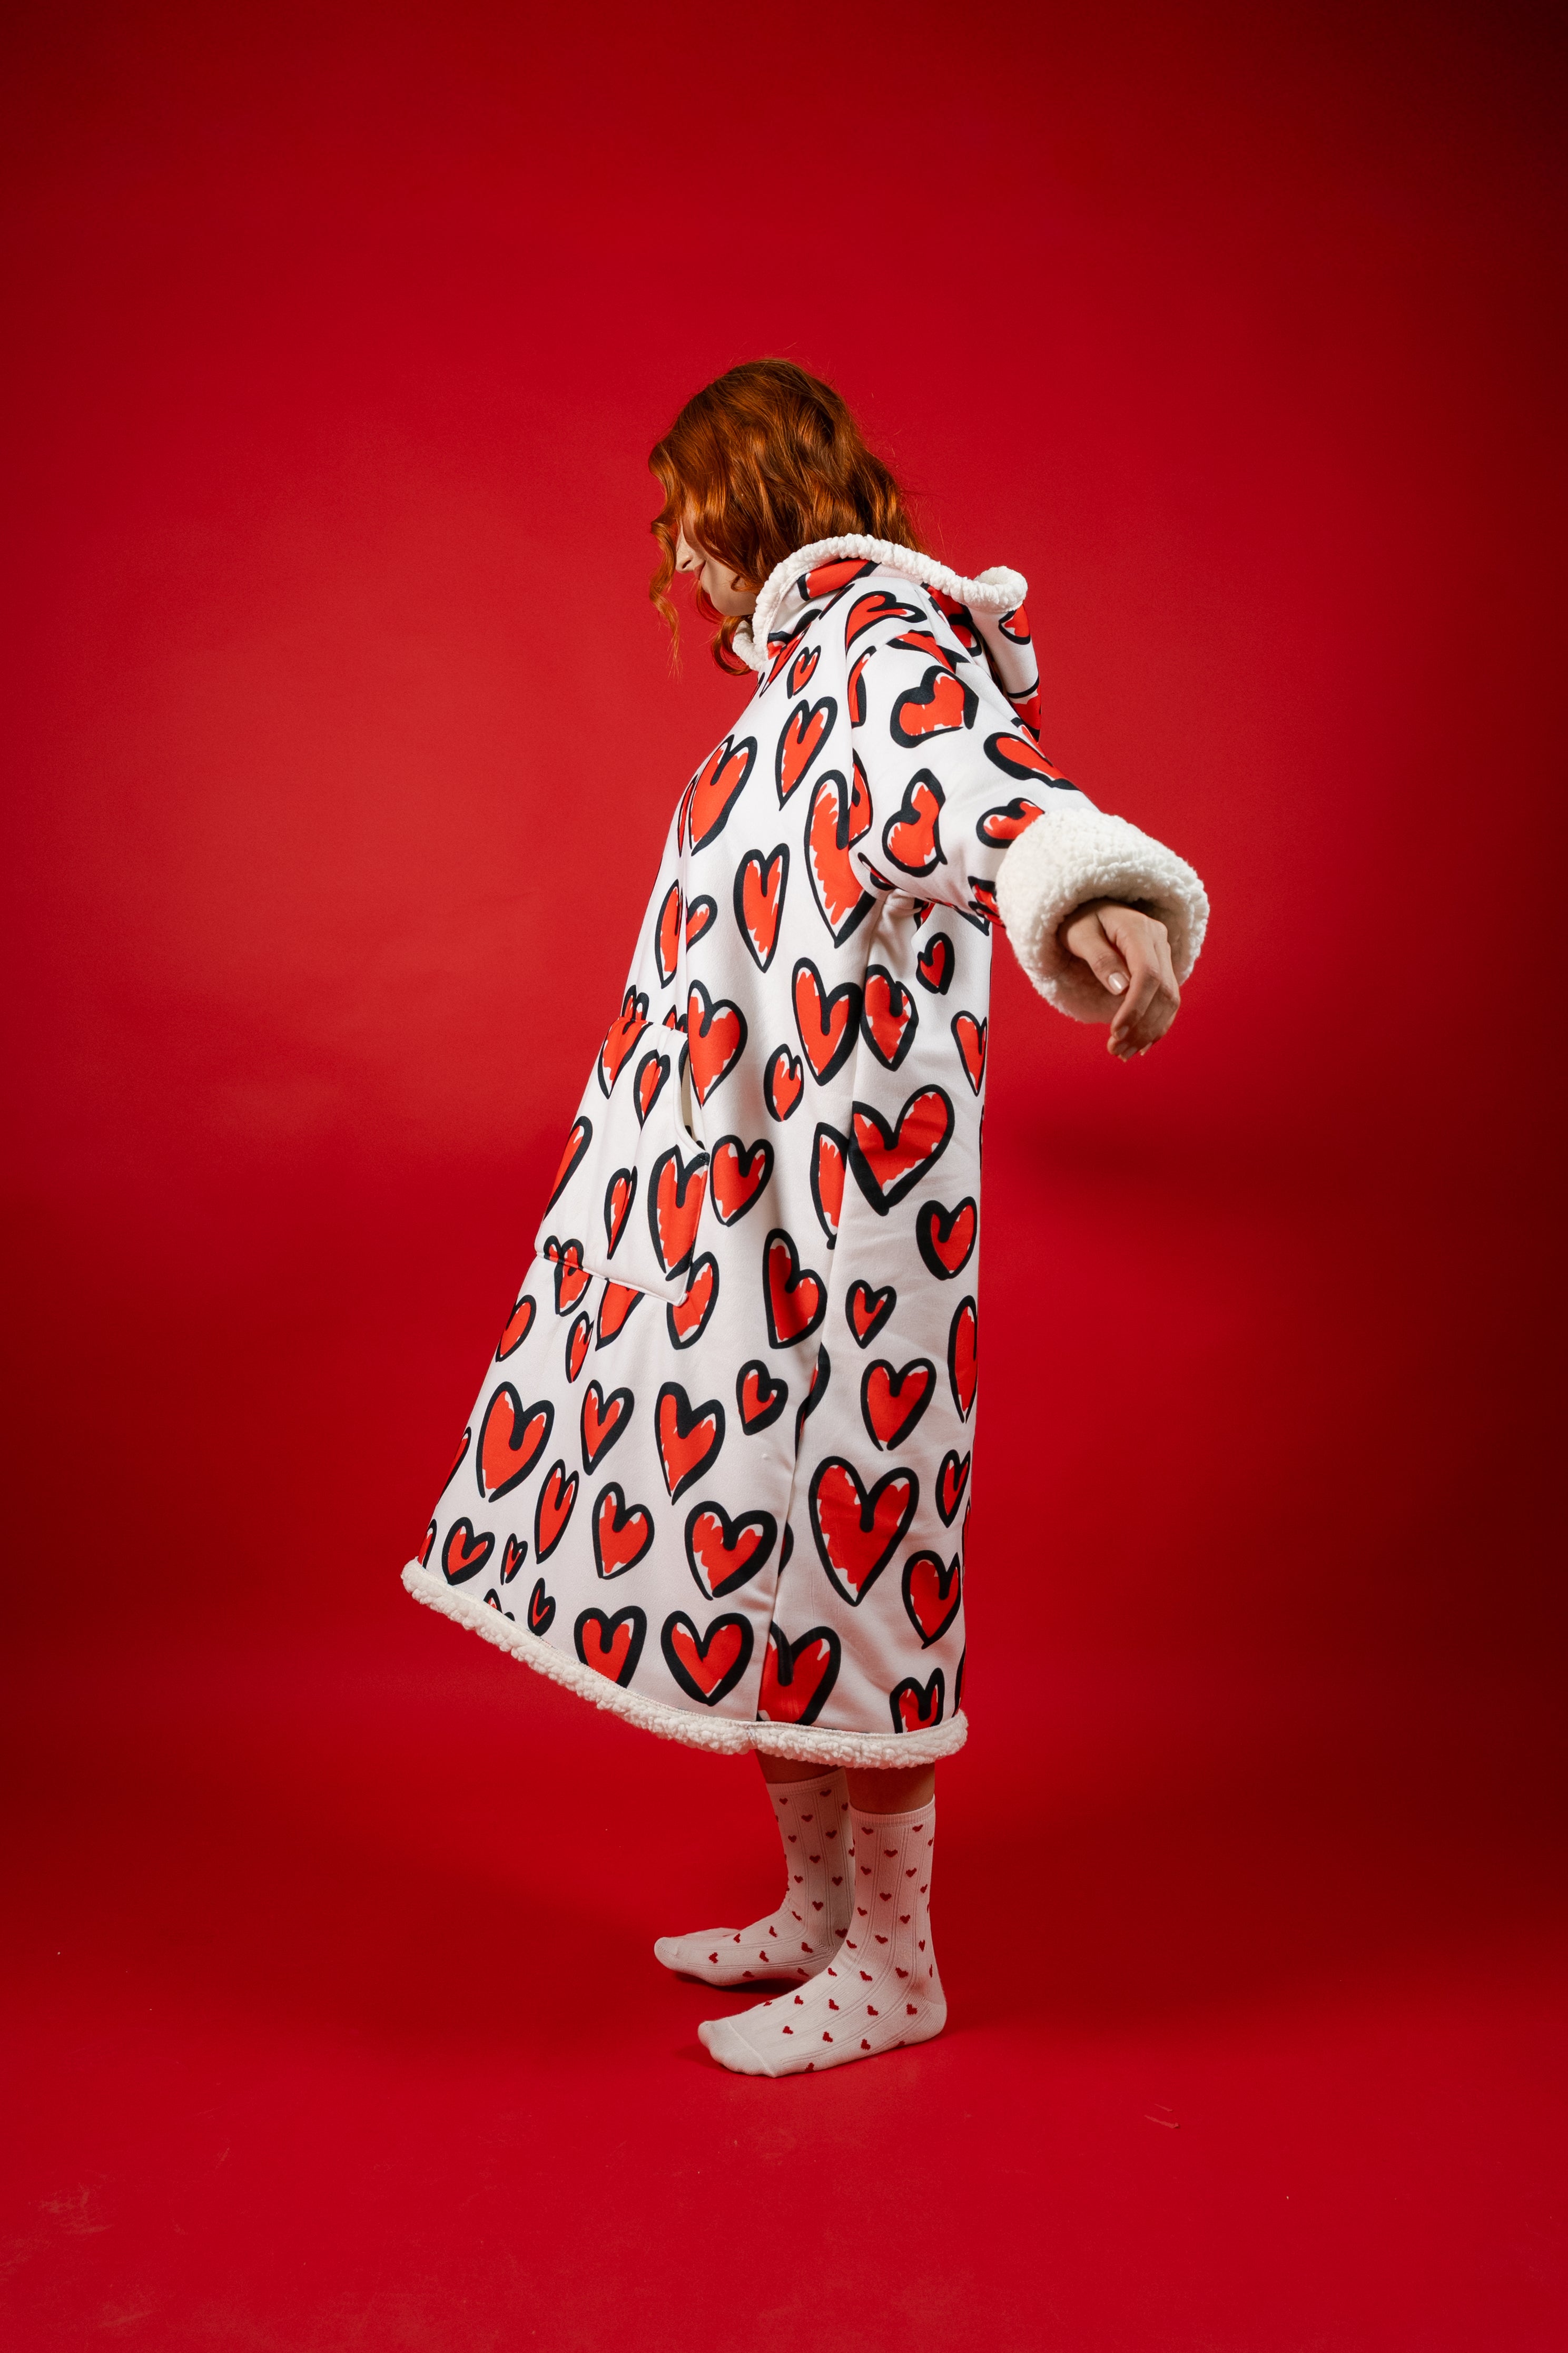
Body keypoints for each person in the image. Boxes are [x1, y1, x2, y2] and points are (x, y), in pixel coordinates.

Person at [403, 359, 1208, 2075]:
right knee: (760, 1560)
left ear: (750, 493)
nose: (676, 558)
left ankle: (896, 1966)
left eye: (685, 518)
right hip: (738, 1214)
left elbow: (982, 795)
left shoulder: (888, 653)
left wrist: (1098, 895)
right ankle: (821, 1909)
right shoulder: (797, 681)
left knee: (857, 1569)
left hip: (852, 1228)